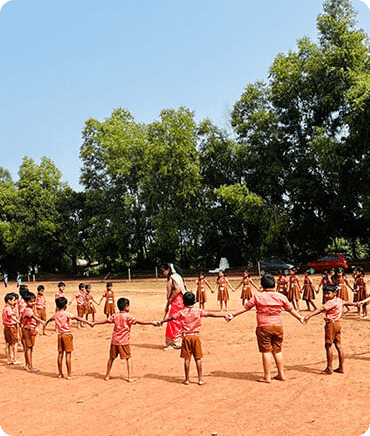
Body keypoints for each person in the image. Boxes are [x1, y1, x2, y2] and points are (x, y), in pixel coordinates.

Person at [226, 274, 305, 383]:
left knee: (266, 352)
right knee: (277, 351)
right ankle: (281, 374)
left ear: (262, 285)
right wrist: (300, 318)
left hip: (264, 327)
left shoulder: (258, 296)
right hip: (278, 326)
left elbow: (246, 307)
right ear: (275, 284)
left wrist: (232, 315)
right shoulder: (281, 296)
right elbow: (291, 310)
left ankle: (267, 377)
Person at [160, 291, 226, 385]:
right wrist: (224, 315)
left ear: (183, 302)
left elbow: (171, 318)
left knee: (187, 359)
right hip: (195, 337)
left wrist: (162, 321)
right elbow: (210, 314)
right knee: (198, 359)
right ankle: (200, 379)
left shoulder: (181, 312)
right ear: (194, 301)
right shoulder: (198, 311)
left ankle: (187, 379)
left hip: (186, 337)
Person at [93, 297, 159, 382]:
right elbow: (138, 321)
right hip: (124, 341)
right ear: (126, 307)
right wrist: (151, 322)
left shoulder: (115, 315)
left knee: (111, 358)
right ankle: (130, 377)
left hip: (114, 341)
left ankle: (107, 376)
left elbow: (106, 321)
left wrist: (95, 323)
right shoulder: (128, 316)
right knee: (128, 358)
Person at [304, 284, 358, 374]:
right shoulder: (339, 300)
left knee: (328, 346)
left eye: (328, 293)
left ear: (335, 293)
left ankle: (329, 368)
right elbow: (348, 303)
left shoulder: (330, 302)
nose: (326, 295)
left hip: (331, 325)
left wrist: (309, 316)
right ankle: (341, 367)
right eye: (325, 293)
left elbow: (321, 309)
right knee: (338, 346)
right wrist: (356, 303)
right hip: (337, 324)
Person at [45, 296, 92, 379]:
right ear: (65, 306)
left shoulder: (56, 315)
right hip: (67, 335)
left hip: (60, 335)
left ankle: (60, 373)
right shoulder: (67, 314)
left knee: (60, 354)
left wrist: (45, 324)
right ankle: (69, 374)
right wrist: (87, 322)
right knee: (68, 354)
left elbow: (50, 319)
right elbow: (77, 318)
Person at [162, 263, 186, 350]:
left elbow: (177, 290)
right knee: (179, 321)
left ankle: (175, 343)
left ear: (168, 270)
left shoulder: (173, 278)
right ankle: (180, 341)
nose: (163, 273)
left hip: (177, 301)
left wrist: (171, 300)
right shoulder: (178, 277)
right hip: (180, 300)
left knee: (174, 322)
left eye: (164, 271)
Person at [20, 292, 45, 372]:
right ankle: (29, 365)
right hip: (28, 330)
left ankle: (28, 365)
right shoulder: (27, 310)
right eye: (31, 301)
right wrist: (42, 321)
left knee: (29, 348)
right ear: (26, 302)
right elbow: (35, 317)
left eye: (34, 301)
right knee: (28, 348)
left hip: (30, 329)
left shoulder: (31, 309)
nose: (33, 303)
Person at [2, 293, 22, 365]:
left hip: (6, 327)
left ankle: (9, 359)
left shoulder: (5, 308)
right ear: (8, 301)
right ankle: (14, 359)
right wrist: (18, 321)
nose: (15, 301)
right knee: (14, 343)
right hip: (11, 327)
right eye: (13, 300)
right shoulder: (8, 309)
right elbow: (11, 316)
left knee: (8, 344)